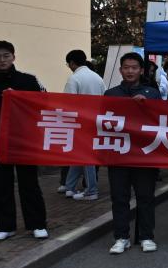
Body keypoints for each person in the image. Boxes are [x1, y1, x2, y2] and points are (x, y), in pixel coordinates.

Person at [0, 41, 49, 241]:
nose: (2, 60)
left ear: (13, 57)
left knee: (30, 184)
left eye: (6, 55)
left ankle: (37, 224)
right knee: (2, 186)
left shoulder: (29, 80)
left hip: (26, 143)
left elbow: (45, 106)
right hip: (1, 146)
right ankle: (5, 226)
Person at [104, 52, 162, 254]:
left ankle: (146, 236)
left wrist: (146, 106)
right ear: (120, 70)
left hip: (144, 154)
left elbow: (161, 121)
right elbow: (102, 122)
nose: (130, 71)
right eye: (126, 68)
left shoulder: (152, 93)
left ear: (141, 70)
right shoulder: (110, 94)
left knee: (145, 196)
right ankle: (121, 237)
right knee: (119, 197)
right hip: (118, 153)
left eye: (134, 68)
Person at [61, 49, 106, 201]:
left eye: (68, 64)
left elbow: (68, 104)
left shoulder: (74, 79)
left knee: (86, 157)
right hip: (96, 121)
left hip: (79, 123)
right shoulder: (97, 78)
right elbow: (105, 99)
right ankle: (70, 186)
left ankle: (91, 190)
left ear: (72, 63)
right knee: (80, 155)